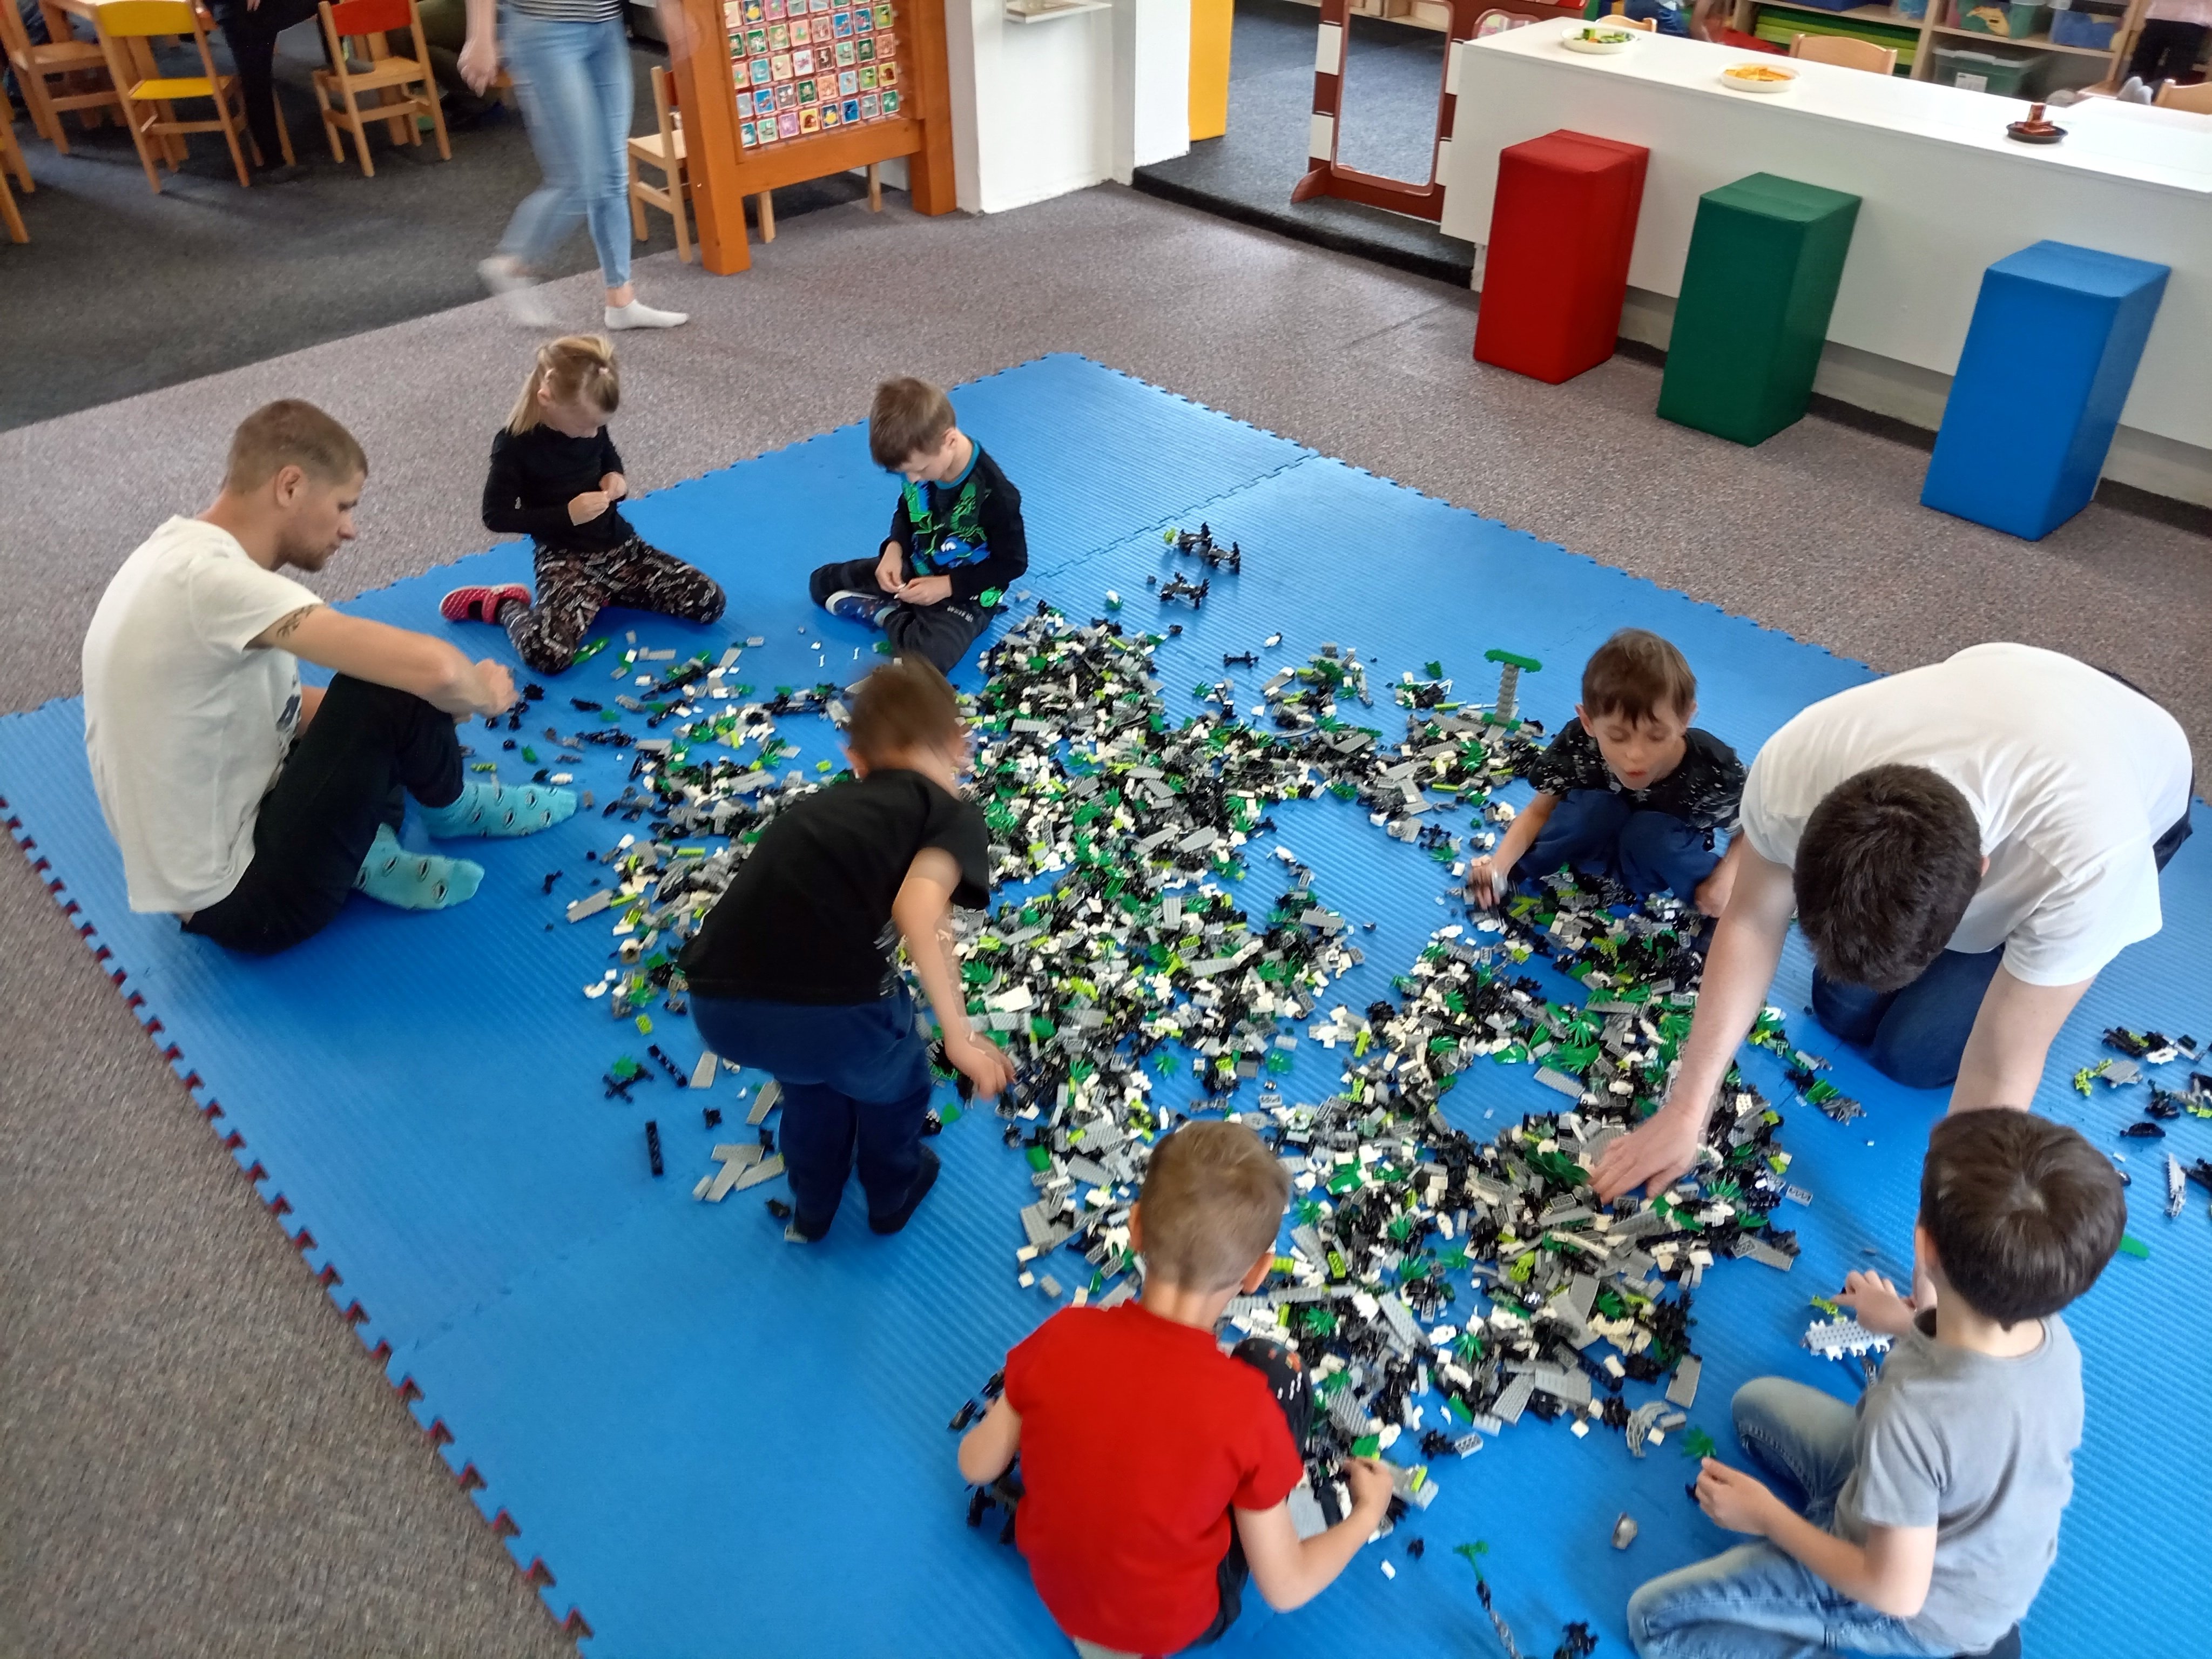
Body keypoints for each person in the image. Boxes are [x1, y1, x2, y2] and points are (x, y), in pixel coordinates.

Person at [1593, 642, 2193, 1204]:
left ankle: (2002, 952)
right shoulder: (1793, 773)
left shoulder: (2088, 862)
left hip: (2140, 760)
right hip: (2009, 679)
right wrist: (1687, 1107)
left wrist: (1938, 1253)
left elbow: (2004, 1058)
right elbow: (1751, 919)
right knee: (1842, 1007)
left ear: (1980, 875)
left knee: (1916, 1055)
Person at [82, 400, 576, 956]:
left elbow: (282, 709)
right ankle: (456, 809)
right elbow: (434, 667)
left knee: (401, 701)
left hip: (210, 861)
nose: (349, 529)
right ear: (290, 486)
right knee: (396, 679)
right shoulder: (220, 585)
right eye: (343, 506)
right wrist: (482, 694)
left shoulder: (173, 554)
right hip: (250, 904)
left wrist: (431, 713)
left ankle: (368, 850)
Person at [1627, 1109, 2125, 1659]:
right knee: (1754, 1409)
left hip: (1909, 1603)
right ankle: (1844, 1533)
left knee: (1654, 1623)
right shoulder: (2047, 1334)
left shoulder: (1911, 1416)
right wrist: (1900, 1319)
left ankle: (1841, 1630)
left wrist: (1768, 1517)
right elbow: (1970, 1368)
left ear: (1925, 1246)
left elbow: (1895, 1592)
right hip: (1945, 1521)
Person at [958, 1119, 1394, 1659]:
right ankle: (1275, 1499)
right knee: (1277, 1370)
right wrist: (1367, 1514)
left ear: (1135, 1227)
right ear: (1257, 1273)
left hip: (1061, 1597)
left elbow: (975, 1465)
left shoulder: (1062, 1336)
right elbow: (1287, 1588)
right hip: (1173, 1626)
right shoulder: (1246, 1408)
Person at [678, 657, 1012, 1240]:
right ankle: (891, 1196)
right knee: (899, 1082)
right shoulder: (948, 813)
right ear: (959, 746)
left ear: (856, 762)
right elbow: (919, 911)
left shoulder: (815, 808)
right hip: (835, 1014)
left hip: (719, 1004)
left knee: (809, 1086)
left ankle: (813, 1209)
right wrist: (958, 1035)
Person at [442, 335, 724, 673]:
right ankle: (504, 605)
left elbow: (608, 455)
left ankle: (599, 596)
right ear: (546, 399)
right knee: (547, 655)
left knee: (708, 601)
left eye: (600, 425)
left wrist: (616, 478)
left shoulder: (589, 422)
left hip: (621, 549)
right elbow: (495, 516)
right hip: (566, 561)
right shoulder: (515, 445)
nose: (594, 434)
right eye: (585, 426)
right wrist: (568, 515)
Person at [1469, 628, 1744, 918]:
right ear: (1588, 722)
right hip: (1592, 851)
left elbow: (1752, 831)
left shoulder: (1713, 768)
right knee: (1594, 809)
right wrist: (1500, 867)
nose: (1635, 755)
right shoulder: (1579, 743)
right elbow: (1539, 811)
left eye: (1656, 736)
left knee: (1649, 834)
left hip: (1656, 856)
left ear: (1685, 718)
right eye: (1617, 737)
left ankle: (1718, 910)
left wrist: (1724, 882)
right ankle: (1522, 873)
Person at [459, 0, 686, 331]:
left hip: (606, 26)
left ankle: (621, 301)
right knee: (580, 180)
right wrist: (481, 36)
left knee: (612, 175)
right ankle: (512, 262)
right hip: (544, 29)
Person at [810, 376, 1027, 676]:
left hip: (969, 593)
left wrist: (947, 585)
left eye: (920, 470)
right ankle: (904, 606)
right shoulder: (922, 464)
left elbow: (1013, 564)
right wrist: (894, 548)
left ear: (949, 441)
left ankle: (888, 615)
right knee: (820, 584)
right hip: (915, 567)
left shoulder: (997, 497)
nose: (913, 479)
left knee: (929, 661)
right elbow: (909, 508)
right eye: (905, 473)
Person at [210, 0, 316, 183]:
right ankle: (273, 162)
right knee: (257, 82)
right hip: (244, 13)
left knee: (256, 82)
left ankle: (273, 160)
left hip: (240, 13)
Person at [2122, 0, 2210, 93]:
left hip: (2157, 16)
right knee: (2176, 72)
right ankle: (2151, 91)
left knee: (2141, 64)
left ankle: (2133, 83)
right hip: (2192, 20)